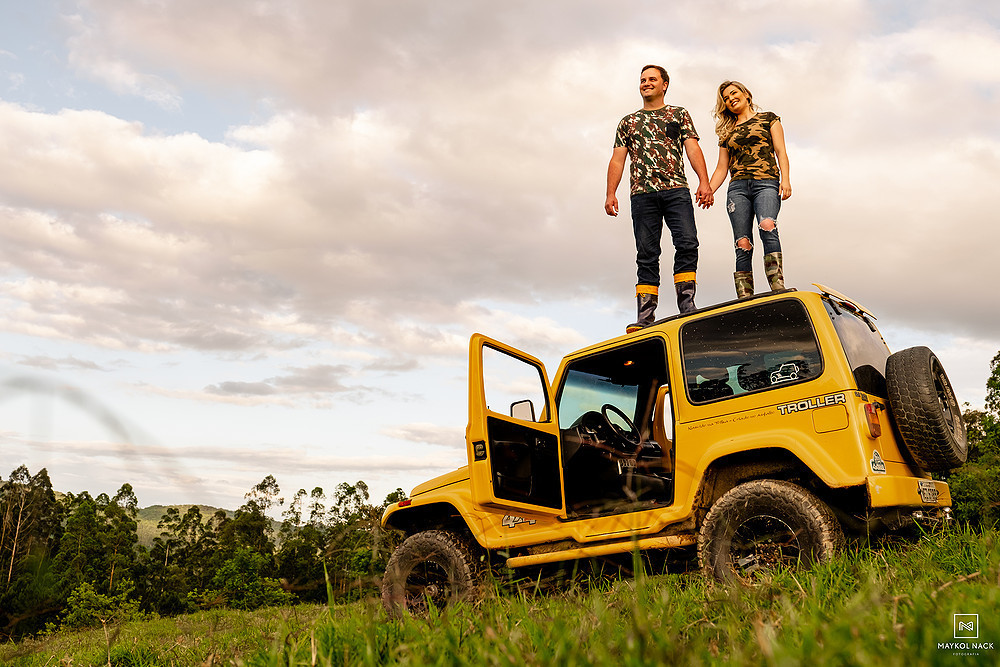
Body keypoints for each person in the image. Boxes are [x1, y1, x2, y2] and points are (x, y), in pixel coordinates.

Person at [606, 65, 713, 332]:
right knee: (646, 254)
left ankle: (687, 305)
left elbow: (692, 147)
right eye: (642, 80)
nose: (646, 83)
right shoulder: (628, 122)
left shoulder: (679, 114)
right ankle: (645, 316)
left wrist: (704, 181)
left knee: (688, 243)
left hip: (676, 190)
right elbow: (618, 159)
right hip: (642, 195)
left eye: (652, 79)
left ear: (664, 84)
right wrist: (610, 193)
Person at [707, 80, 791, 298]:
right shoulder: (727, 132)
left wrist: (786, 180)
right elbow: (721, 168)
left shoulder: (769, 118)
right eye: (725, 98)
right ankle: (745, 297)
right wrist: (707, 189)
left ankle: (777, 287)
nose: (730, 99)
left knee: (767, 225)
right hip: (738, 188)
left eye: (733, 93)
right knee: (742, 242)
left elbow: (781, 151)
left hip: (766, 182)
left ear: (745, 94)